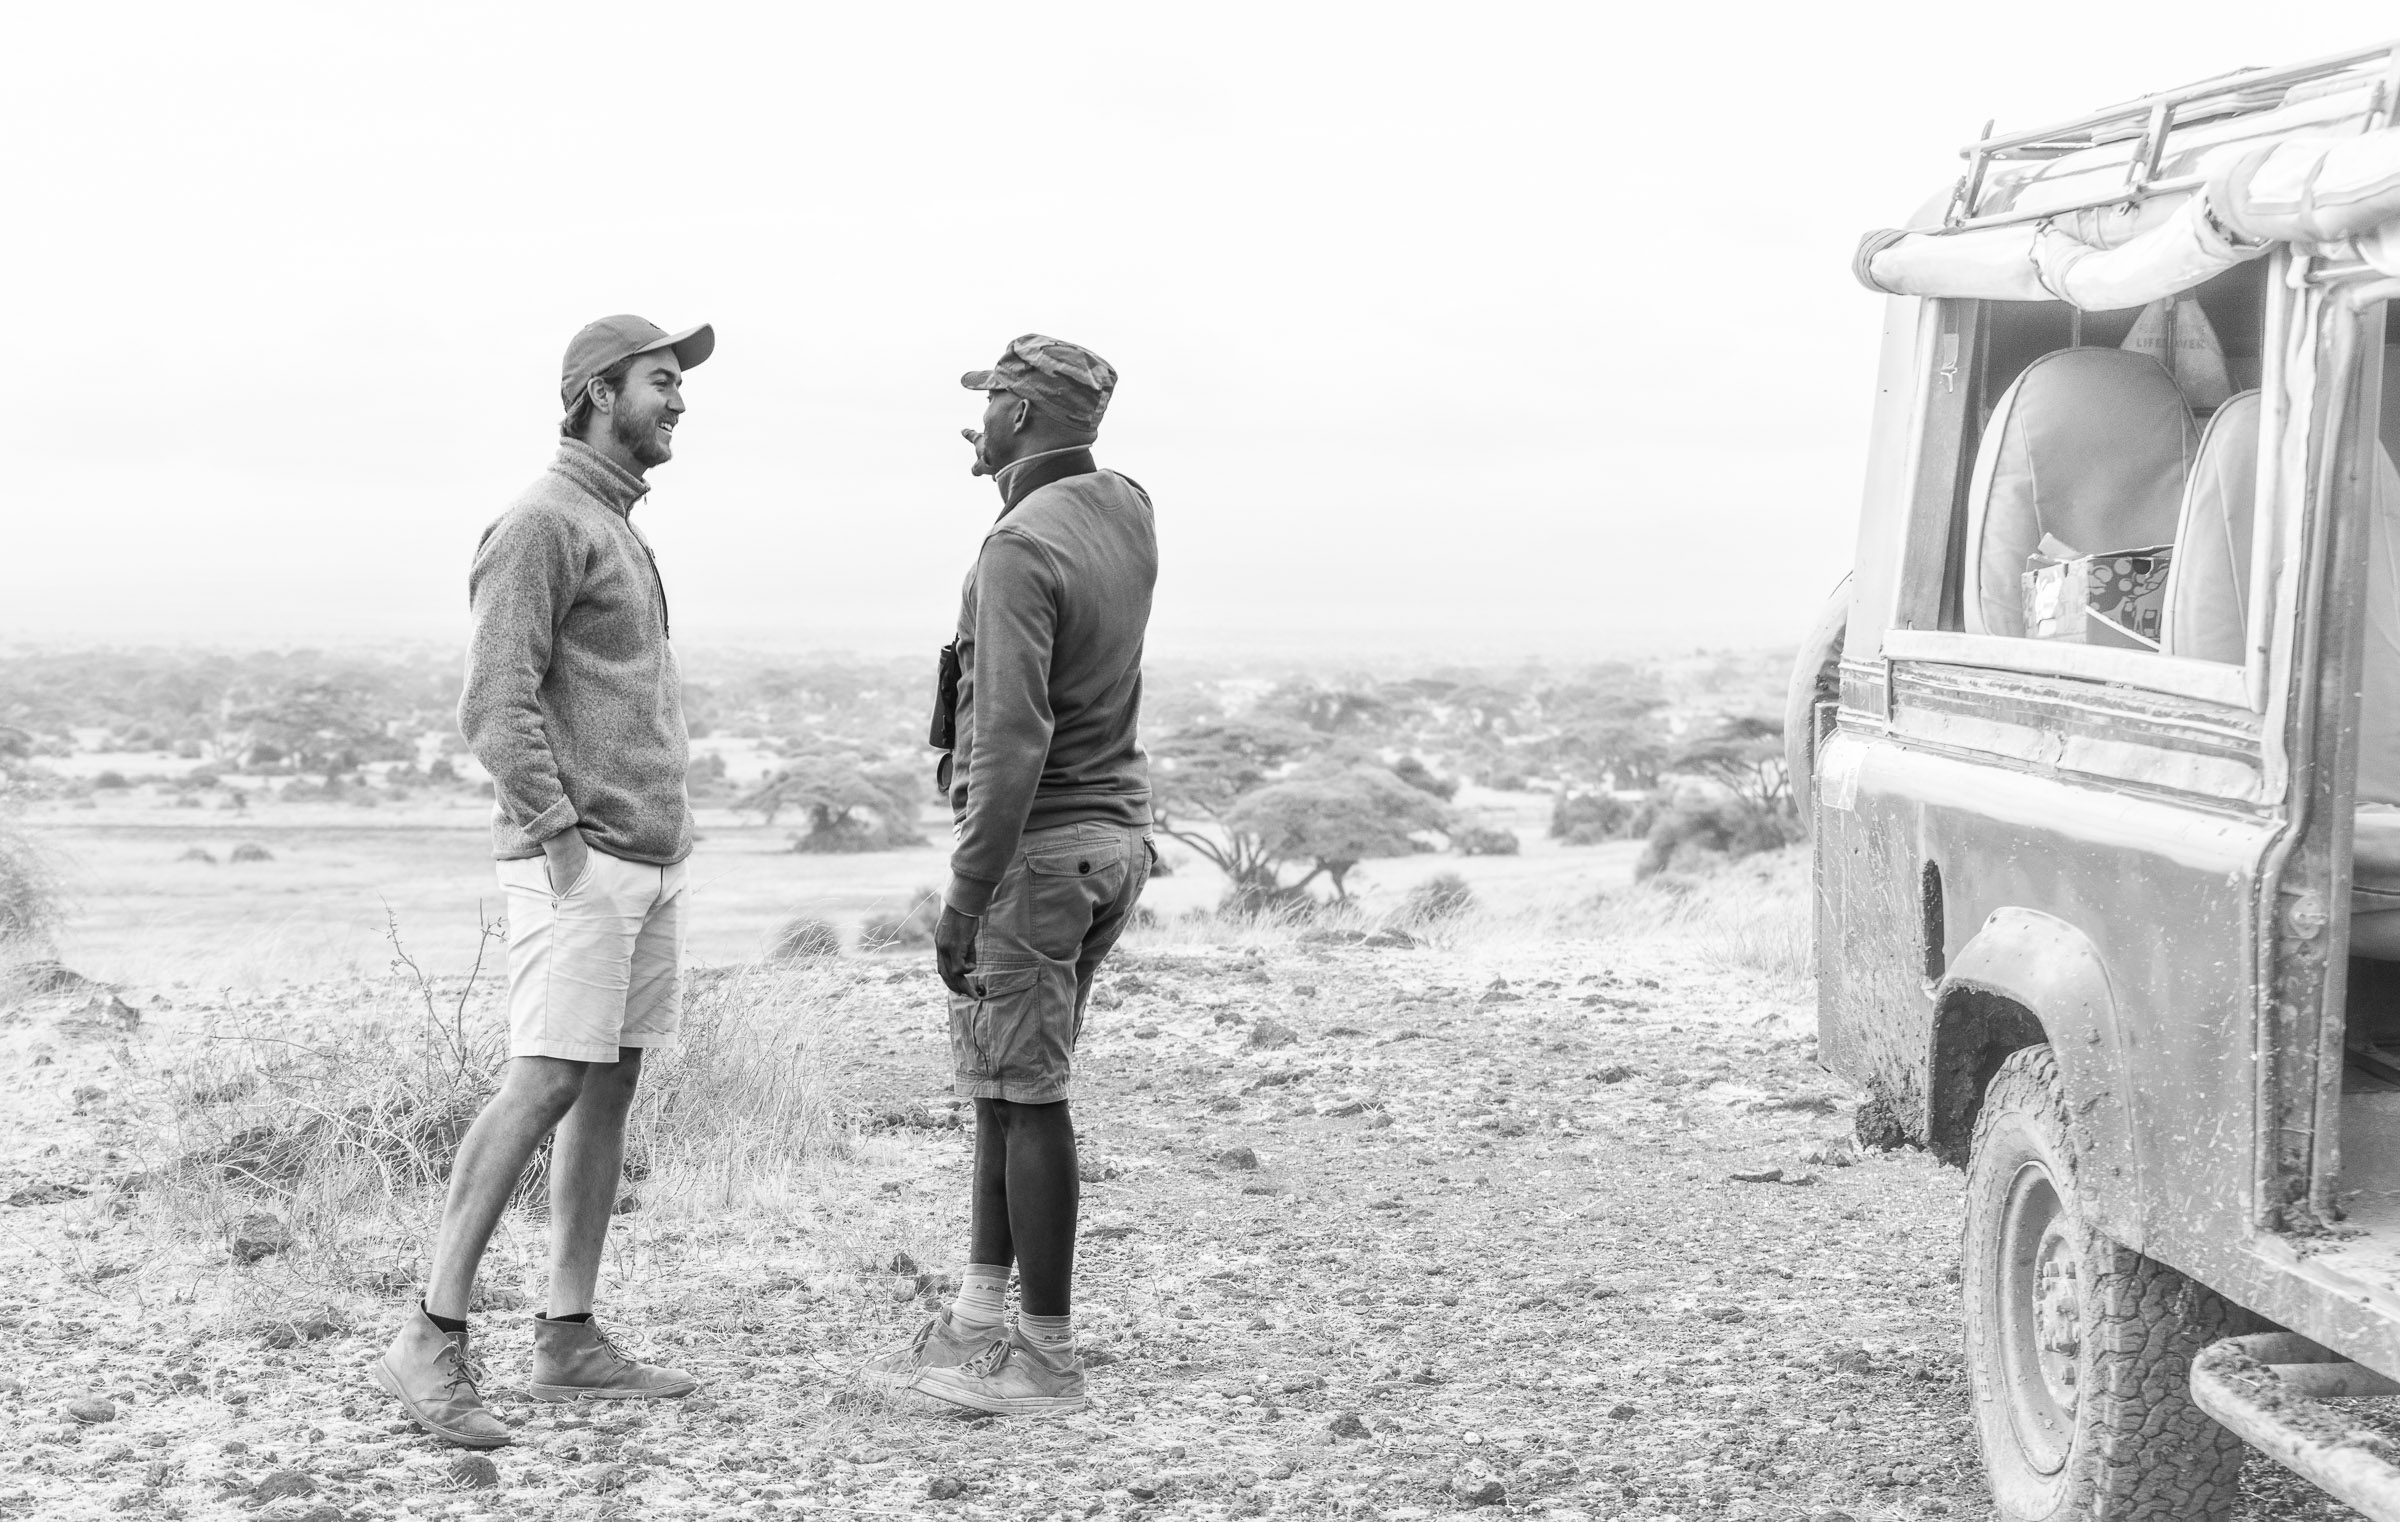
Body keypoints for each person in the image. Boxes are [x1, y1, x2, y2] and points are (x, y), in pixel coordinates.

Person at [373, 315, 712, 1447]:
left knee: (608, 1082)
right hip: (582, 861)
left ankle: (568, 1336)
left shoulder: (613, 521)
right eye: (660, 380)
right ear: (597, 392)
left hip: (647, 858)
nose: (679, 400)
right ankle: (428, 1335)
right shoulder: (540, 523)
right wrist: (563, 840)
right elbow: (494, 702)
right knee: (546, 1079)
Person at [864, 335, 1158, 1416]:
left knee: (1029, 1098)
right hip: (1113, 842)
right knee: (1001, 1081)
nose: (980, 418)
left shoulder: (1017, 548)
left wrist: (967, 890)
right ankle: (980, 1318)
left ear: (1023, 416)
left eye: (993, 402)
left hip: (1036, 854)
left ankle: (1046, 1356)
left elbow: (1009, 737)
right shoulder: (1125, 507)